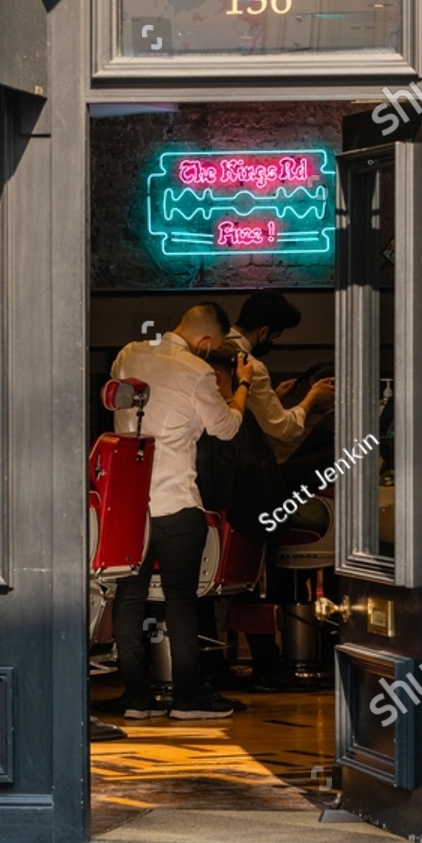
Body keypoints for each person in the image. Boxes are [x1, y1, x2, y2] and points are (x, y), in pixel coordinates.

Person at [108, 303, 254, 720]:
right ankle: (187, 699)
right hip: (175, 500)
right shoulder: (196, 370)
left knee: (129, 596)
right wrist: (241, 387)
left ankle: (135, 697)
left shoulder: (127, 355)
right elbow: (225, 428)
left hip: (130, 501)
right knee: (180, 600)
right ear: (206, 341)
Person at [196, 339, 288, 691]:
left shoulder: (213, 420)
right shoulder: (231, 419)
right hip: (247, 526)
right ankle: (265, 664)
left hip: (222, 526)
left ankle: (209, 664)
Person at [230, 291, 335, 464]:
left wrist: (273, 399)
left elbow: (238, 406)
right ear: (263, 332)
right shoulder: (252, 366)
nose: (273, 342)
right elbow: (281, 429)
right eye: (275, 337)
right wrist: (312, 397)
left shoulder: (212, 345)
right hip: (235, 458)